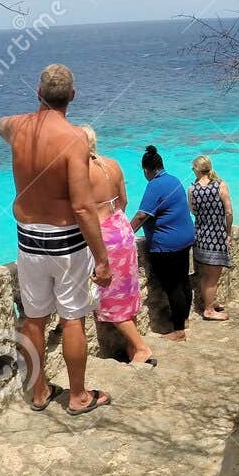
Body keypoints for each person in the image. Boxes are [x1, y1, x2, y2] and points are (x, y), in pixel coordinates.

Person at [0, 64, 113, 415]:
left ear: (38, 94)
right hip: (66, 241)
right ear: (73, 96)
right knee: (72, 318)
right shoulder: (74, 138)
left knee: (33, 319)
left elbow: (2, 124)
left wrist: (23, 127)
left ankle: (38, 391)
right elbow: (81, 206)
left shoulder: (17, 127)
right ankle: (77, 396)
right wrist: (103, 259)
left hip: (28, 238)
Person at [81, 126, 156, 366]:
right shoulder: (113, 164)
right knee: (126, 290)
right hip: (123, 230)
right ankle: (132, 347)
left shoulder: (82, 172)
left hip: (103, 236)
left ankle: (143, 348)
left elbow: (81, 212)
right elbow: (124, 200)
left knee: (110, 297)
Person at [129, 144, 196, 340]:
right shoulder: (173, 179)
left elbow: (142, 215)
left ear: (146, 170)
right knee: (183, 281)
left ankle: (178, 331)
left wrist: (124, 233)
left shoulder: (155, 185)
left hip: (167, 244)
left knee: (172, 286)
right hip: (185, 237)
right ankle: (183, 320)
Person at [189, 155, 233, 321]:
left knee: (205, 275)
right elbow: (228, 212)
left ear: (198, 170)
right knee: (213, 277)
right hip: (216, 236)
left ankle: (209, 303)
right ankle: (208, 310)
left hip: (200, 236)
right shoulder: (221, 185)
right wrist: (227, 233)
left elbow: (193, 210)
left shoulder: (192, 189)